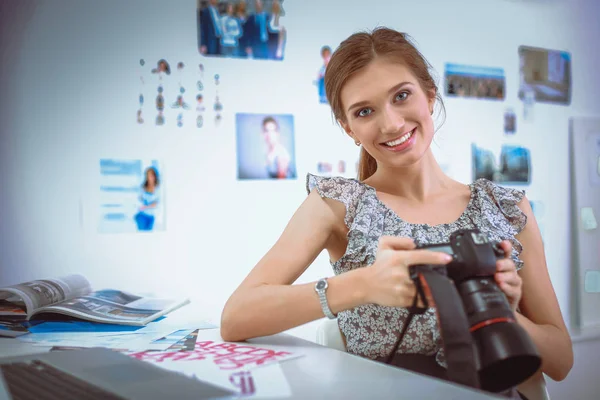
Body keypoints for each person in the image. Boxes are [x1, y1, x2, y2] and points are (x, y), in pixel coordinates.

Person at [220, 27, 573, 398]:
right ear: (349, 129)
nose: (390, 124)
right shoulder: (338, 205)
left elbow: (561, 361)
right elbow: (236, 316)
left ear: (430, 96)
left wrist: (501, 313)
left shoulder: (507, 209)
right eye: (365, 111)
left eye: (401, 96)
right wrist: (362, 285)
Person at [134, 167, 160, 231]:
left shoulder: (158, 188)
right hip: (142, 216)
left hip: (151, 217)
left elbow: (156, 204)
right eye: (148, 175)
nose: (150, 177)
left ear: (155, 176)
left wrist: (146, 206)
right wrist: (145, 206)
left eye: (152, 175)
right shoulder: (142, 188)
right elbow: (139, 200)